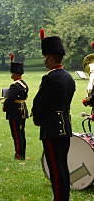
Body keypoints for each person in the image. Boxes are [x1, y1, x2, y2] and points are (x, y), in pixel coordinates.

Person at [32, 30, 75, 201]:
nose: (44, 61)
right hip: (65, 125)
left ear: (50, 57)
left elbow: (40, 103)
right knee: (62, 166)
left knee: (55, 168)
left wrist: (37, 119)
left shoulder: (50, 78)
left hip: (51, 128)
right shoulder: (69, 78)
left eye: (45, 58)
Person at [3, 54, 29, 160]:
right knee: (21, 133)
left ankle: (19, 154)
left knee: (16, 135)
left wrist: (5, 106)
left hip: (15, 112)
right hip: (23, 110)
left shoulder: (14, 85)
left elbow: (10, 99)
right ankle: (21, 153)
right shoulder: (24, 84)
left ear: (15, 73)